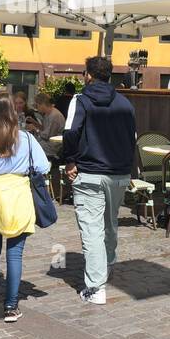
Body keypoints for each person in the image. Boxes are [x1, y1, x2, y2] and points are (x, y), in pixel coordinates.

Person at [62, 55, 137, 305]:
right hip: (119, 174)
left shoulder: (80, 100)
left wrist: (70, 160)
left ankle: (95, 288)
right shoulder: (126, 103)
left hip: (90, 173)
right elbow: (133, 137)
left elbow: (71, 131)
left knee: (92, 229)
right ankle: (107, 264)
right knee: (110, 222)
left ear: (89, 75)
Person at [0, 95, 49, 323]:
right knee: (15, 253)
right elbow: (43, 166)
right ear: (14, 114)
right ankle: (11, 305)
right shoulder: (26, 139)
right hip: (19, 197)